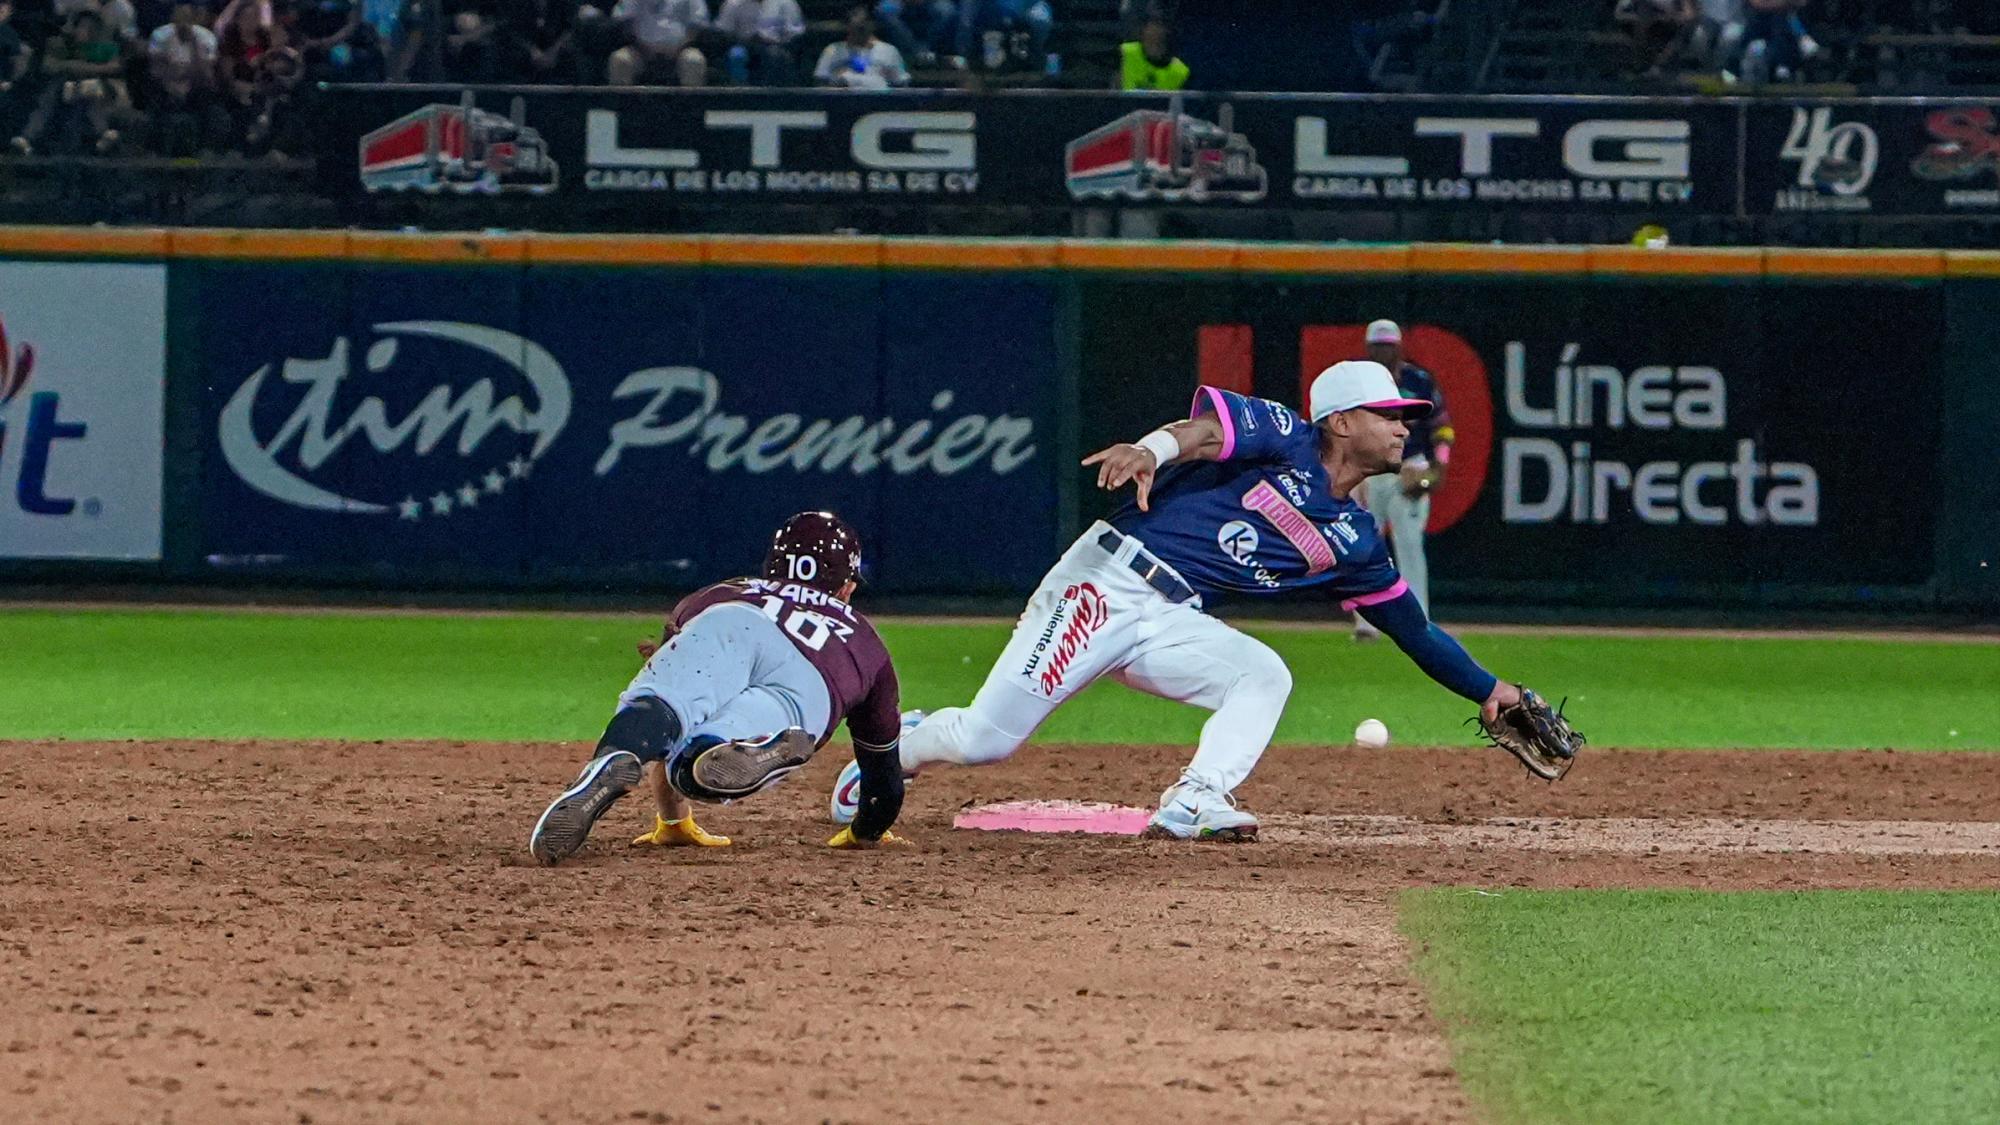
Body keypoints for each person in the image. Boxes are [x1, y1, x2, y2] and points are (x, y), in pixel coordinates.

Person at [830, 362, 1579, 842]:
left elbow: (1412, 629)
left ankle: (1194, 798)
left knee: (1263, 673)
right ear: (1343, 420)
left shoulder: (1353, 539)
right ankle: (898, 746)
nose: (1404, 425)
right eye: (1391, 413)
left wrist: (1491, 691)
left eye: (1406, 415)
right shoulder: (1287, 435)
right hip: (1105, 581)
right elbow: (1203, 432)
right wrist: (1149, 451)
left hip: (1172, 615)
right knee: (986, 740)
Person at [530, 511, 907, 865]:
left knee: (663, 707)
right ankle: (740, 748)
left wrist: (673, 824)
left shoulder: (719, 593)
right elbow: (884, 785)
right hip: (812, 676)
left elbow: (669, 694)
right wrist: (865, 831)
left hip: (732, 619)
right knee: (700, 762)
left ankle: (613, 757)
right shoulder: (865, 641)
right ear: (846, 586)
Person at [1351, 319, 1452, 642]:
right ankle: (1367, 622)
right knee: (1364, 546)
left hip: (1410, 465)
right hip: (1371, 469)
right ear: (1368, 349)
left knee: (1409, 543)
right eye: (1378, 346)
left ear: (1399, 347)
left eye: (1389, 346)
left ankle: (1418, 621)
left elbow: (1441, 426)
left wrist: (1438, 466)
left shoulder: (1417, 381)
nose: (1384, 352)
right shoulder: (1358, 384)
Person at [605, 0, 706, 86]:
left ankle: (691, 107)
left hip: (679, 51)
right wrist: (643, 47)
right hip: (640, 51)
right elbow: (624, 23)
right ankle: (622, 106)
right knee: (620, 59)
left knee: (694, 60)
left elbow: (696, 26)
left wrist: (678, 48)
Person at [813, 7, 905, 88]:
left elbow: (901, 83)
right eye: (857, 27)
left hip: (878, 102)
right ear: (848, 26)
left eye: (864, 25)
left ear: (872, 25)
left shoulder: (889, 51)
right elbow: (820, 82)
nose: (861, 30)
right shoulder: (832, 50)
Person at [714, 0, 801, 85]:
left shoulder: (786, 3)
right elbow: (723, 34)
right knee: (736, 55)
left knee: (776, 55)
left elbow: (795, 34)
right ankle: (739, 93)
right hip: (744, 46)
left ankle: (774, 95)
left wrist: (778, 43)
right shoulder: (733, 3)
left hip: (777, 47)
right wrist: (746, 40)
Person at [1117, 16, 1184, 90]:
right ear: (1143, 30)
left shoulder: (1180, 70)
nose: (1156, 31)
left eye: (1160, 26)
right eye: (1153, 25)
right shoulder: (1124, 52)